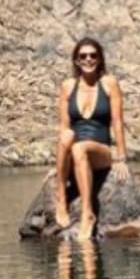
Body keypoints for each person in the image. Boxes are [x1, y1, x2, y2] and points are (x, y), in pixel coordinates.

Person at [54, 37, 128, 241]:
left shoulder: (109, 83)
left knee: (79, 148)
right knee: (67, 136)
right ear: (76, 61)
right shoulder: (68, 86)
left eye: (93, 55)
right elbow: (64, 126)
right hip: (74, 151)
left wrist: (121, 157)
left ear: (100, 59)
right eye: (83, 56)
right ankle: (60, 197)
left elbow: (117, 121)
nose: (88, 59)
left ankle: (87, 213)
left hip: (100, 151)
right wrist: (59, 165)